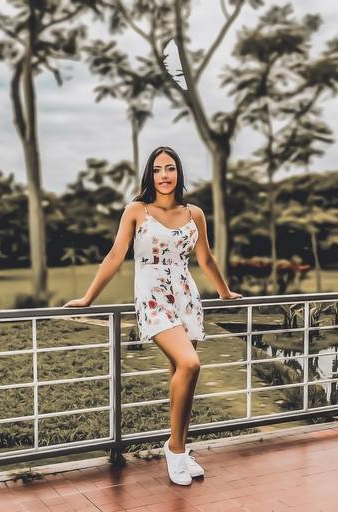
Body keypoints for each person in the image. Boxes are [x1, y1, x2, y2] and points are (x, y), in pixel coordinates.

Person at [63, 145, 242, 485]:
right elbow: (115, 256)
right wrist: (88, 298)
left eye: (170, 168)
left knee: (182, 375)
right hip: (153, 297)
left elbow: (205, 258)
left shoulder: (195, 214)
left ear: (178, 173)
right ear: (150, 175)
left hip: (186, 297)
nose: (164, 175)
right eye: (157, 169)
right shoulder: (136, 210)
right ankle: (175, 449)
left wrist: (224, 292)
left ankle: (181, 449)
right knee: (190, 364)